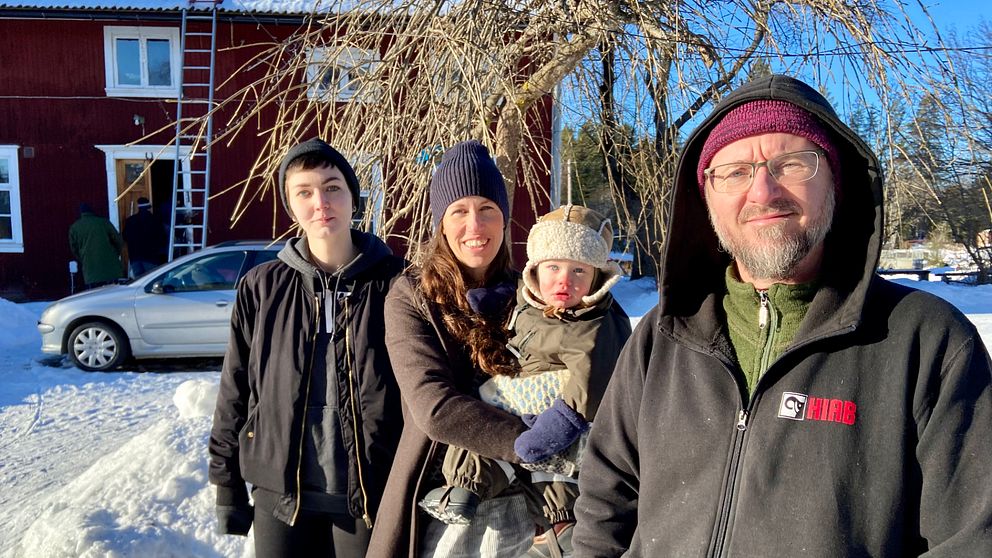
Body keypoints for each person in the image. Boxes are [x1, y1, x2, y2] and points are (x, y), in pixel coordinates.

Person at [571, 73, 992, 556]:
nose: (763, 192)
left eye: (791, 163)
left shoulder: (927, 340)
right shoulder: (662, 338)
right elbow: (605, 503)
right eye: (733, 172)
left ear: (836, 183)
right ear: (705, 199)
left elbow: (971, 537)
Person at [367, 140, 581, 558]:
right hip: (448, 494)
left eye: (487, 209)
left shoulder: (533, 289)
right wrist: (535, 444)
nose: (475, 226)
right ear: (441, 223)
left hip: (535, 501)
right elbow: (435, 407)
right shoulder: (412, 297)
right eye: (459, 211)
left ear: (503, 218)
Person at [208, 138, 405, 557]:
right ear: (291, 206)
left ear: (353, 197)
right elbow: (235, 388)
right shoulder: (262, 287)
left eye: (333, 187)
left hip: (369, 493)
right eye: (305, 192)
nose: (321, 202)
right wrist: (226, 483)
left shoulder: (397, 284)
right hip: (281, 495)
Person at [419, 204, 632, 557]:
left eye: (579, 270)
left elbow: (590, 382)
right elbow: (515, 304)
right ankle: (466, 489)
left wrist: (561, 421)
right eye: (553, 268)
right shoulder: (531, 299)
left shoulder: (593, 323)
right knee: (483, 422)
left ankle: (561, 524)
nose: (564, 281)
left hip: (562, 411)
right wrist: (485, 303)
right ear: (535, 271)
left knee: (554, 469)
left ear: (596, 277)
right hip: (519, 393)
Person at [68, 202, 124, 289]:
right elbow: (119, 240)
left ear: (81, 212)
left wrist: (83, 259)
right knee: (113, 295)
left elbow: (74, 249)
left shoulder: (74, 227)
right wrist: (115, 254)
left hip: (90, 270)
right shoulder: (104, 222)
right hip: (111, 268)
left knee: (94, 296)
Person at [122, 197, 167, 277]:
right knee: (151, 280)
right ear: (148, 208)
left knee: (139, 281)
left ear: (139, 207)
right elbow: (162, 238)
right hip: (150, 257)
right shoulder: (155, 220)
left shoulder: (130, 221)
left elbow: (125, 237)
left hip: (135, 256)